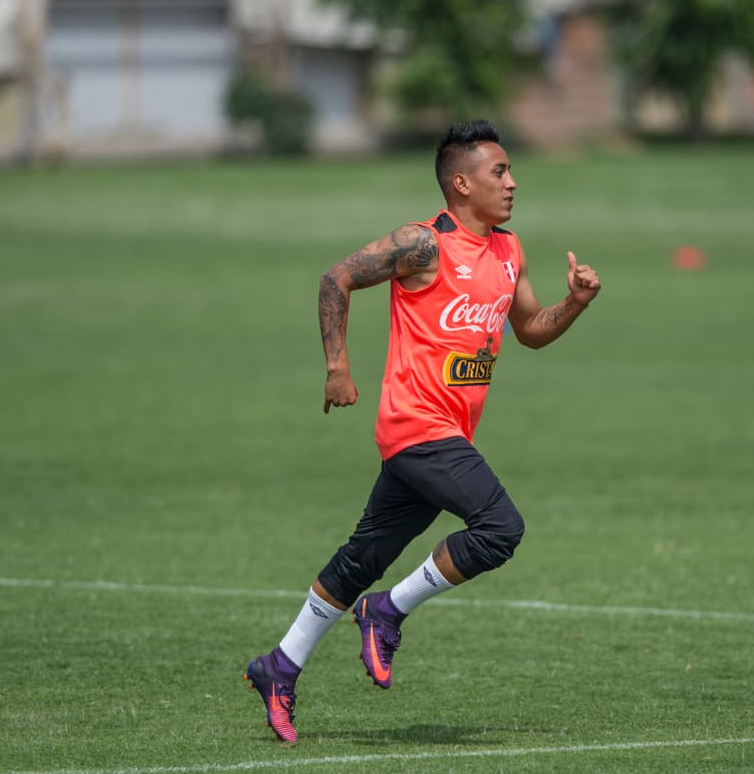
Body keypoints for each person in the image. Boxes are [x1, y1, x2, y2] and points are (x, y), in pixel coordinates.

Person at [244, 120, 601, 744]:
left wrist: (574, 302)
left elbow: (530, 330)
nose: (513, 183)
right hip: (417, 428)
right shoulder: (423, 244)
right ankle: (387, 610)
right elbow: (337, 278)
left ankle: (280, 665)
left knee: (364, 558)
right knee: (500, 529)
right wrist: (337, 367)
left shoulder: (507, 250)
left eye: (512, 171)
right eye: (500, 172)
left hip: (444, 435)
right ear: (462, 183)